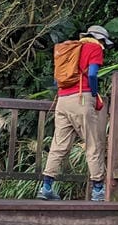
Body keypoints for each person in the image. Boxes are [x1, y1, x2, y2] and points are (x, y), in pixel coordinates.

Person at [39, 24, 113, 201]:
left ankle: (46, 187)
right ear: (99, 38)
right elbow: (93, 74)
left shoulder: (70, 49)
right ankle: (97, 191)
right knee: (93, 143)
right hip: (82, 98)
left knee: (59, 145)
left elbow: (59, 80)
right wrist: (94, 95)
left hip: (62, 101)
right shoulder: (94, 47)